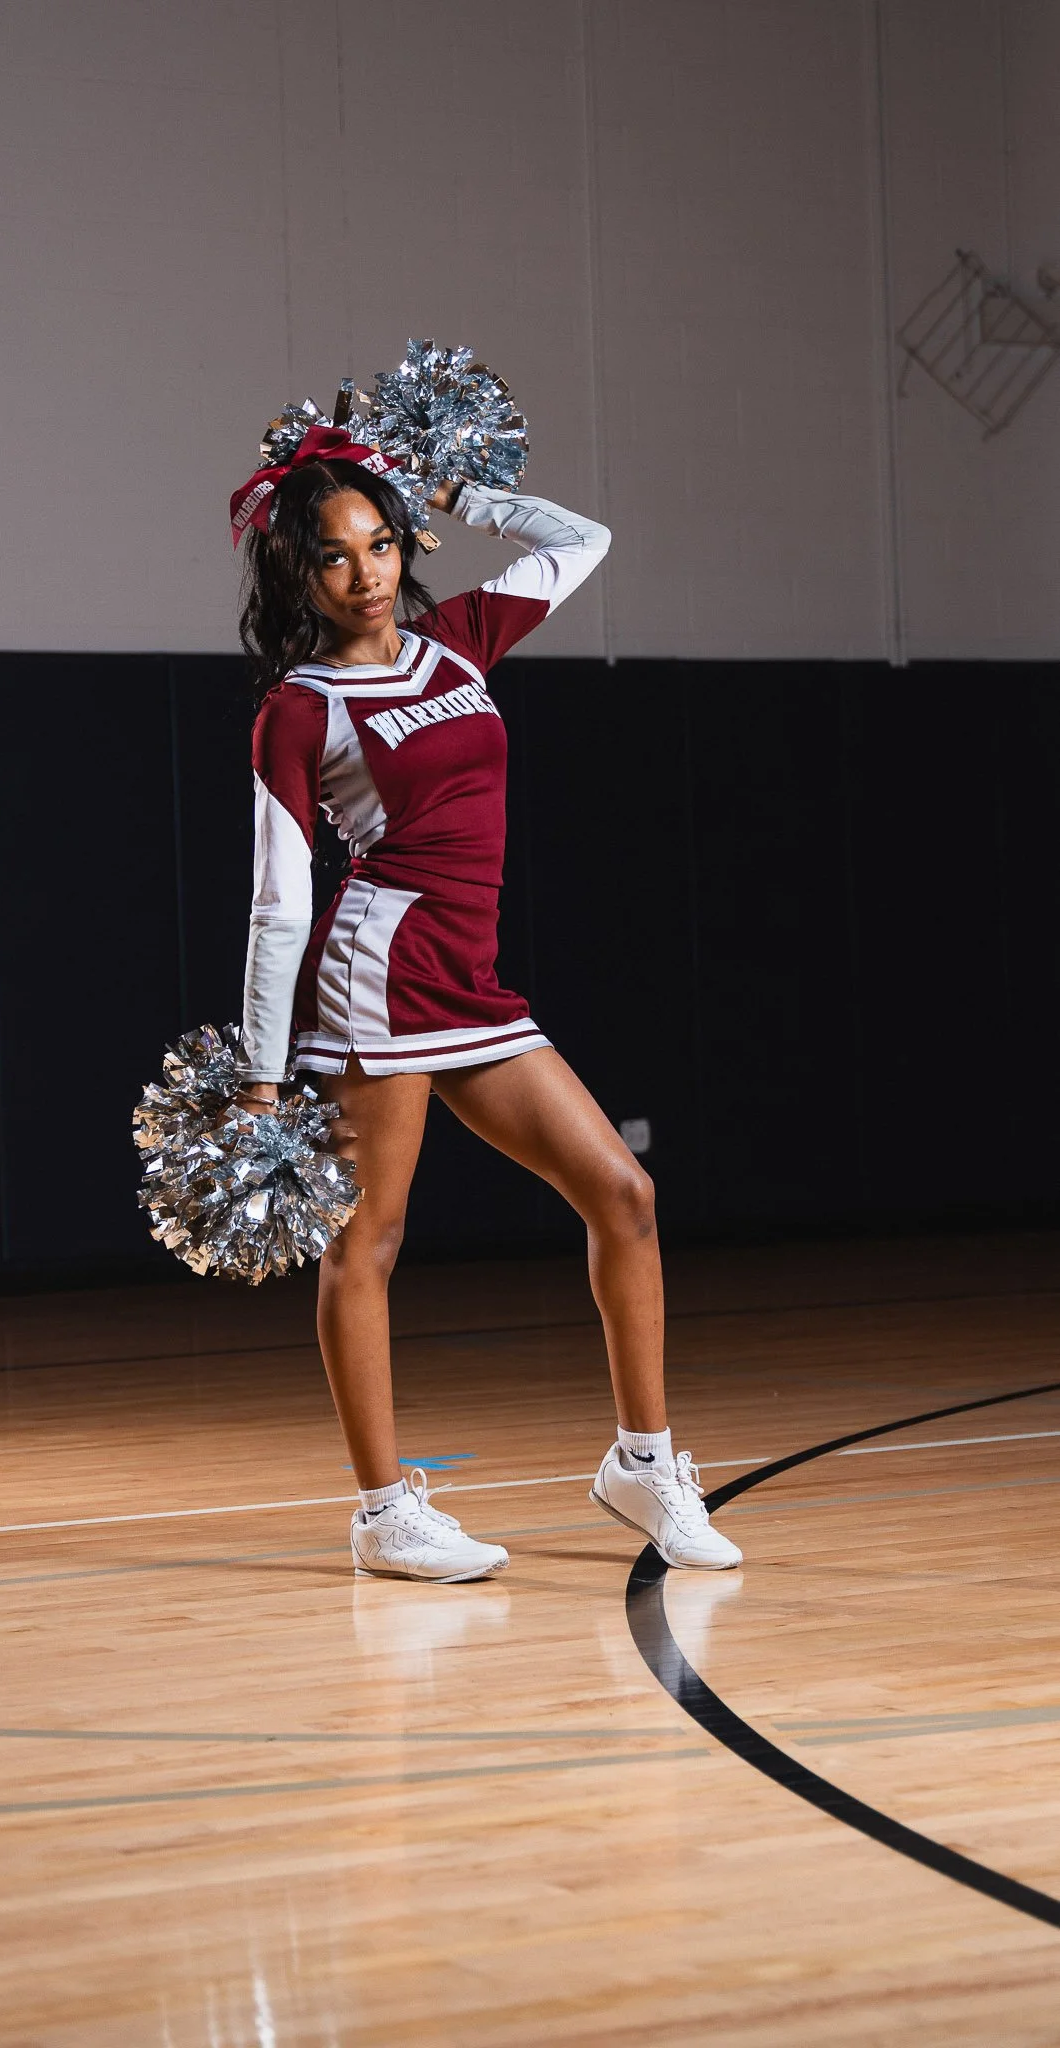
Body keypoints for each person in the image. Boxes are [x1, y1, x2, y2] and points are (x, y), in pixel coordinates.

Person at [228, 426, 741, 1583]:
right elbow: (277, 899)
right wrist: (263, 1075)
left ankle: (643, 1464)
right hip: (378, 979)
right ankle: (381, 1511)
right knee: (371, 1238)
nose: (367, 572)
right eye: (334, 556)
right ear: (296, 577)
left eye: (380, 541)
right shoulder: (298, 709)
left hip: (473, 981)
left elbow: (584, 538)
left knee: (624, 1192)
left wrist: (455, 485)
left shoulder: (458, 640)